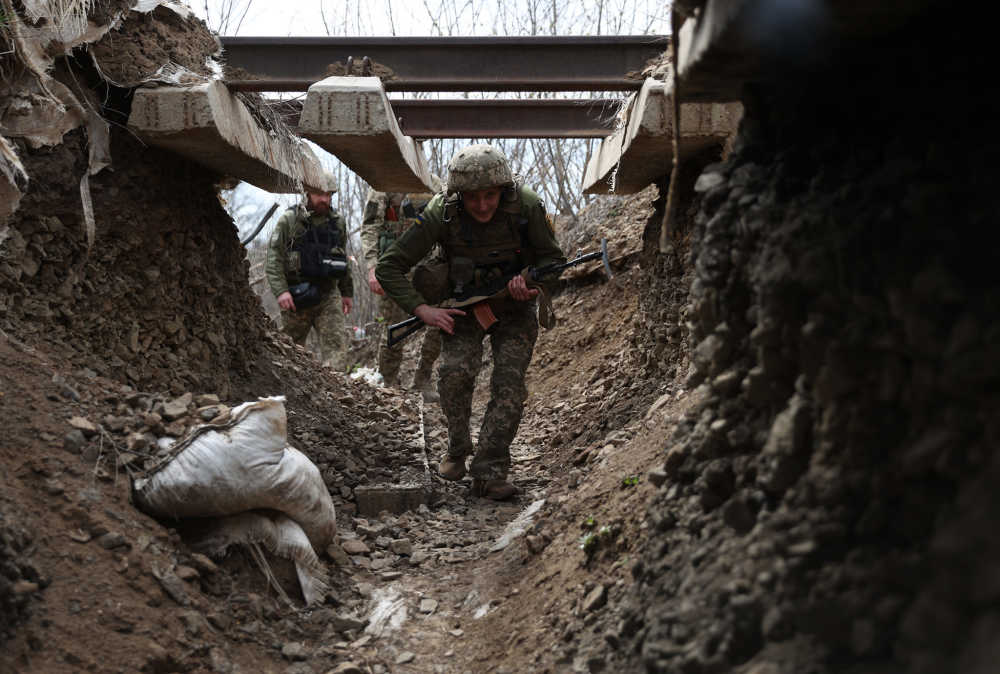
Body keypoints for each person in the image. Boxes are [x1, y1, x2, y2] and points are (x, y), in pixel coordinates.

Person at [376, 145, 565, 500]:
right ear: (458, 195)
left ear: (503, 191)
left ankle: (490, 471)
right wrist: (422, 310)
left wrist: (532, 284)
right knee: (453, 375)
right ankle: (458, 447)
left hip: (512, 308)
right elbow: (389, 266)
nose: (481, 206)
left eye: (490, 196)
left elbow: (554, 260)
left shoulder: (526, 205)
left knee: (509, 385)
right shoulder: (441, 212)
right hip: (464, 308)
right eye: (472, 198)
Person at [360, 184, 443, 390]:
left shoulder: (434, 185)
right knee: (395, 329)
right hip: (395, 269)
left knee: (440, 324)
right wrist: (373, 268)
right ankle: (386, 383)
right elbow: (370, 228)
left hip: (429, 269)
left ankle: (423, 380)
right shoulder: (384, 185)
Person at [266, 183, 353, 371]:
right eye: (319, 194)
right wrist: (281, 291)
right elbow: (274, 258)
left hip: (328, 294)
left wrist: (347, 292)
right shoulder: (290, 220)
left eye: (329, 195)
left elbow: (343, 258)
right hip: (298, 296)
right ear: (307, 193)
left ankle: (336, 395)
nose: (324, 199)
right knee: (289, 351)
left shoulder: (338, 222)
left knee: (337, 349)